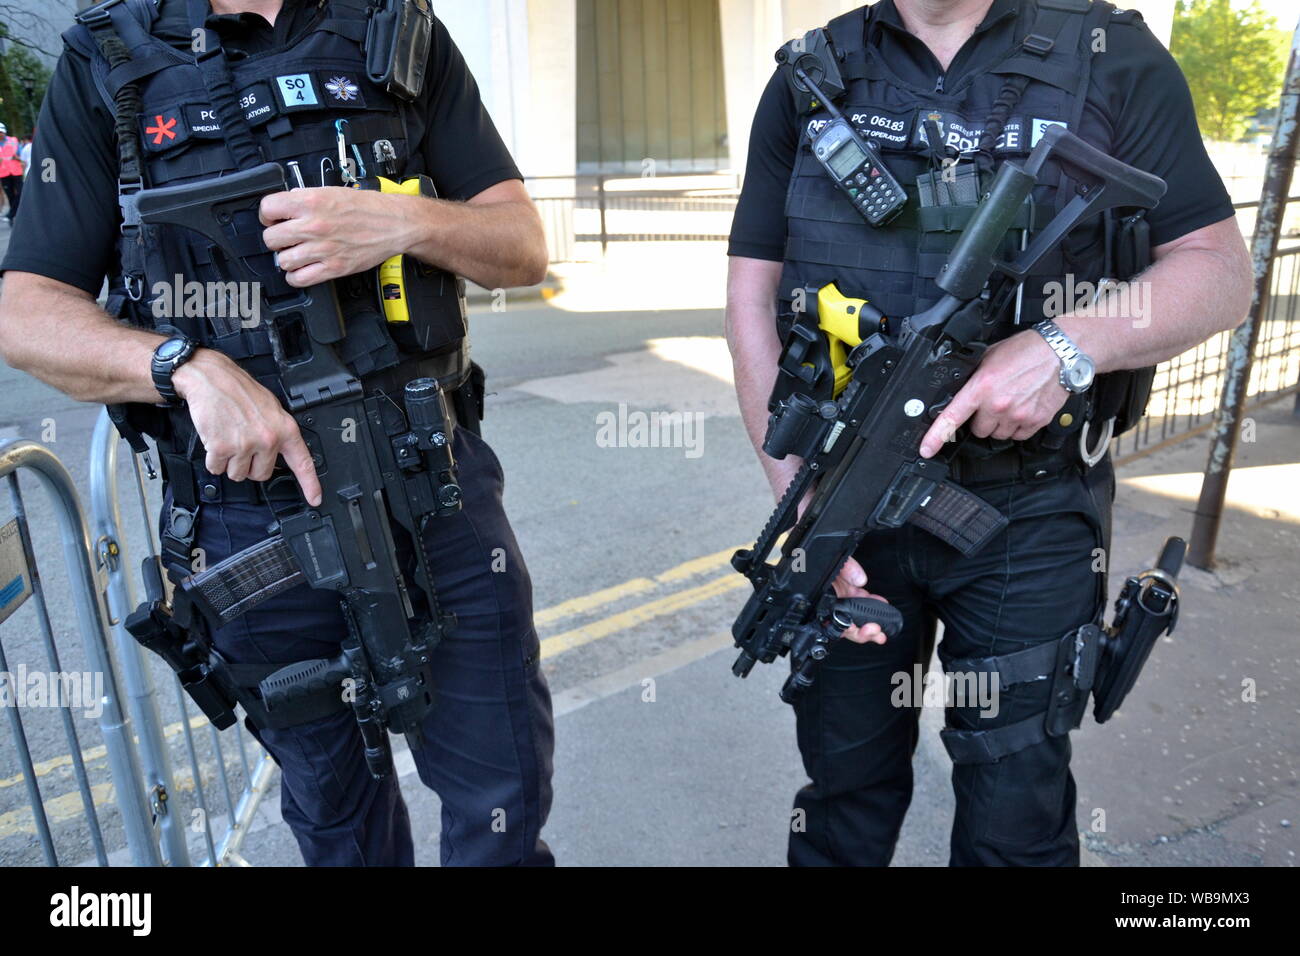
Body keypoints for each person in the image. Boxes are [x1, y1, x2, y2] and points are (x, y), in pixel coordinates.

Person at [0, 0, 555, 867]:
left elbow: (521, 243)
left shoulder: (394, 30)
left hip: (434, 492)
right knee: (339, 830)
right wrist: (179, 364)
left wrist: (407, 220)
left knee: (501, 807)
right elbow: (25, 308)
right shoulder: (106, 58)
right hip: (245, 520)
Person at [725, 0, 1253, 866]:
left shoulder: (1111, 55)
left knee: (1016, 818)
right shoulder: (809, 75)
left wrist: (1067, 346)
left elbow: (1219, 273)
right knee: (842, 803)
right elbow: (752, 296)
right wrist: (797, 493)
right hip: (847, 500)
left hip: (1033, 510)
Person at [0, 123, 24, 222]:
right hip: (4, 173)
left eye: (0, 132)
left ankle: (12, 214)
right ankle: (15, 216)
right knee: (10, 195)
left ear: (4, 132)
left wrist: (17, 158)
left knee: (20, 193)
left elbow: (22, 156)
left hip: (16, 171)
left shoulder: (13, 141)